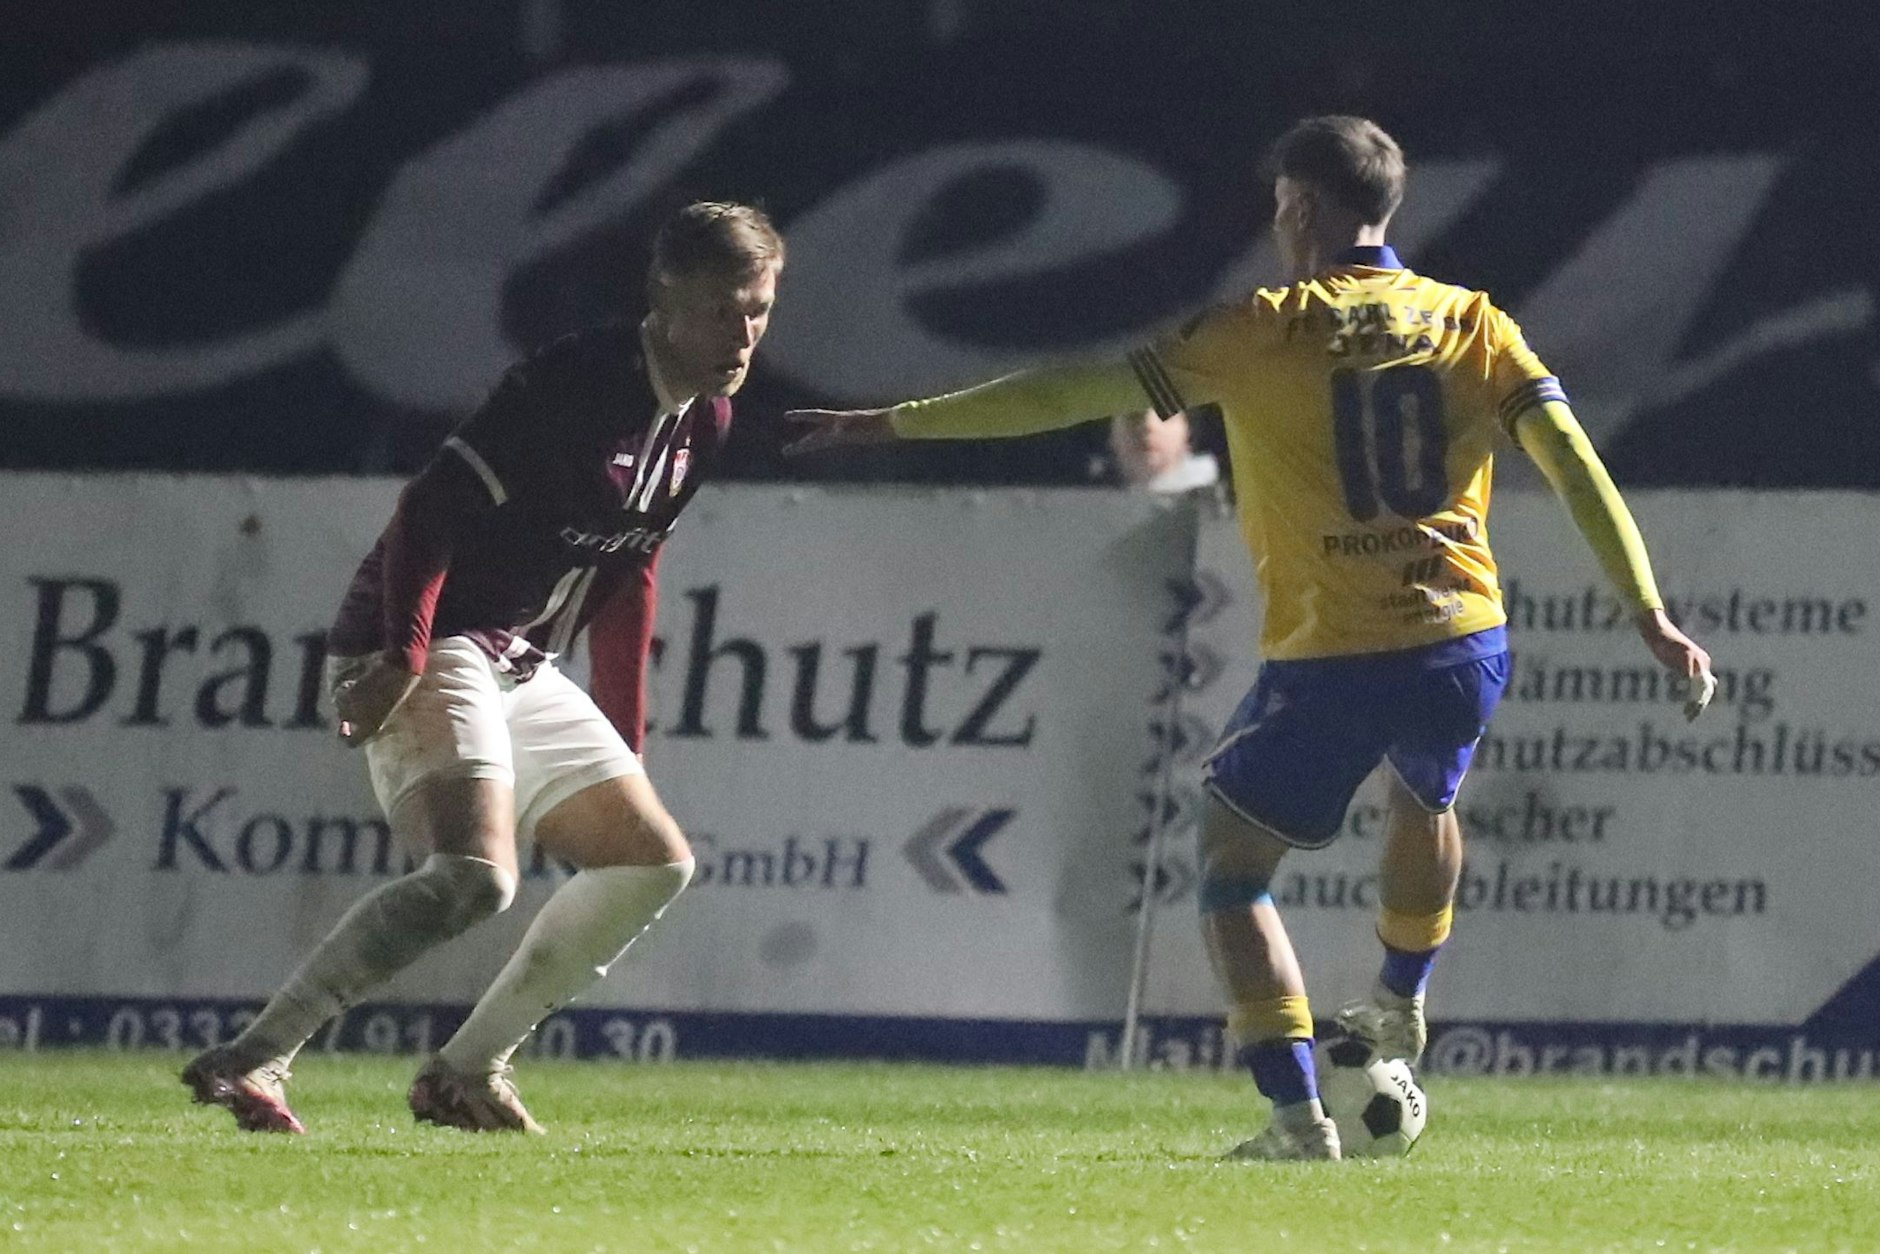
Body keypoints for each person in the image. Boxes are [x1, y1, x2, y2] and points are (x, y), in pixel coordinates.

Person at [785, 116, 1716, 1161]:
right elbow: (1572, 460)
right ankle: (1399, 996)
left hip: (1334, 651)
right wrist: (1646, 611)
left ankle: (1294, 1118)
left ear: (1299, 207)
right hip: (1463, 637)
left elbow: (1067, 391)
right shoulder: (1471, 322)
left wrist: (893, 421)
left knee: (1232, 869)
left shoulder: (1259, 328)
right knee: (1427, 791)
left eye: (1279, 204)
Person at [182, 201, 786, 1135]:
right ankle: (254, 1059)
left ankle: (466, 1073)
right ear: (663, 298)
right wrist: (401, 654)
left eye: (757, 310)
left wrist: (624, 733)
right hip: (431, 637)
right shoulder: (575, 385)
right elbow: (428, 511)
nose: (740, 333)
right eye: (720, 309)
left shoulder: (706, 420)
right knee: (475, 876)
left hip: (517, 656)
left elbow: (631, 569)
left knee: (652, 863)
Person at [1103, 405, 1220, 494]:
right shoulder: (1096, 496)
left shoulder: (1216, 490)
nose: (1148, 426)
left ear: (1188, 432)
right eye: (1133, 417)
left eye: (1164, 416)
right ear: (1112, 437)